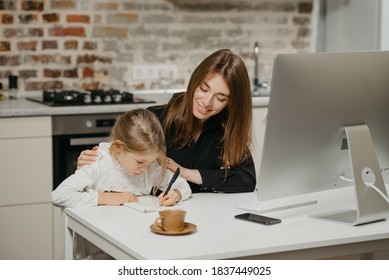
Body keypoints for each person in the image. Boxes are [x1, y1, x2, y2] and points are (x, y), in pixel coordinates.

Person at [77, 49, 256, 193]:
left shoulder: (225, 128)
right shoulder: (155, 119)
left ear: (231, 102)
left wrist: (187, 173)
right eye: (203, 89)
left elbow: (247, 179)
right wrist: (92, 165)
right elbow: (117, 161)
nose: (207, 102)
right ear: (194, 81)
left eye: (220, 98)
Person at [52, 108, 191, 208]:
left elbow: (183, 185)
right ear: (119, 147)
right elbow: (58, 196)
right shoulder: (98, 163)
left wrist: (177, 194)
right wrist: (104, 197)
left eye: (150, 162)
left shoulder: (149, 169)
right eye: (140, 161)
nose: (145, 168)